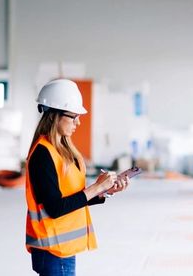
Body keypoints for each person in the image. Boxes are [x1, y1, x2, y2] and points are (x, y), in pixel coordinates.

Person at [25, 78, 130, 276]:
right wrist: (96, 188)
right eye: (73, 116)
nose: (78, 122)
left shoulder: (63, 150)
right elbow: (55, 208)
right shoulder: (43, 154)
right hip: (52, 250)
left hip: (61, 247)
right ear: (55, 115)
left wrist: (104, 191)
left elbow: (71, 197)